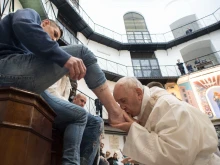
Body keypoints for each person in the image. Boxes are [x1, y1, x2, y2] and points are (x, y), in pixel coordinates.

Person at [0, 8, 125, 165]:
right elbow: (22, 24)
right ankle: (115, 112)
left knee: (88, 119)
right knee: (81, 52)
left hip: (26, 82)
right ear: (45, 23)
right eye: (54, 34)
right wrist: (63, 57)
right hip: (4, 67)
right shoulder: (31, 14)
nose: (54, 41)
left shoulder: (34, 50)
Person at [112, 77, 220, 165]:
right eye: (118, 103)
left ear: (139, 93)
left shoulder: (169, 107)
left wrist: (133, 129)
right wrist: (141, 158)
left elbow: (176, 158)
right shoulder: (155, 108)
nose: (122, 107)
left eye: (123, 101)